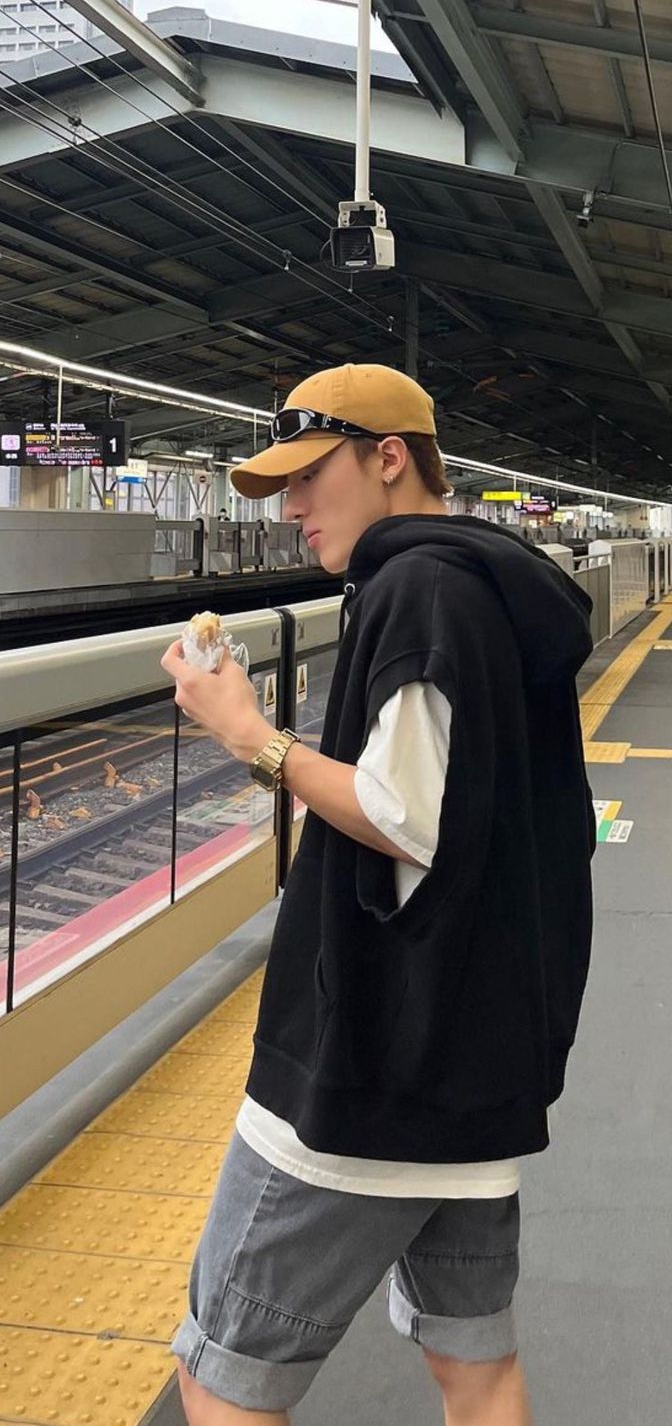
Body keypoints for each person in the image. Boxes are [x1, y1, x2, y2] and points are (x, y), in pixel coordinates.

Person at [161, 363, 595, 1426]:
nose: (294, 509)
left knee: (220, 1374)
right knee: (474, 1369)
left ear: (387, 457)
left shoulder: (418, 589)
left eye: (310, 478)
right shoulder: (496, 582)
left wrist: (244, 733)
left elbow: (407, 818)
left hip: (373, 1067)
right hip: (478, 1062)